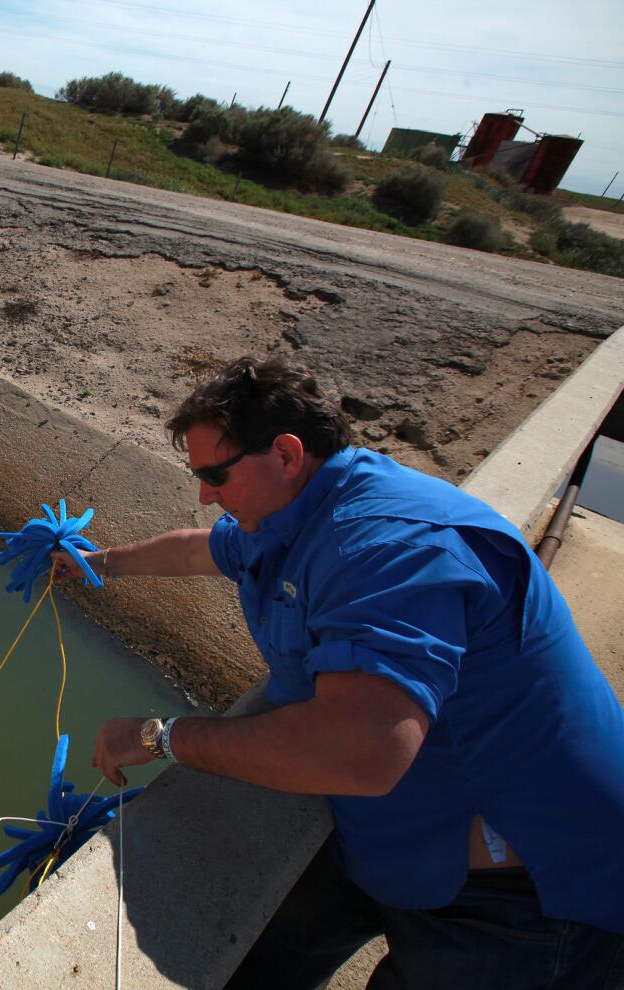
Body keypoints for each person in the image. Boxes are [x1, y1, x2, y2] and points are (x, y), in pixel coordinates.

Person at [52, 355, 624, 988]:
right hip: (396, 840)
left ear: (288, 454)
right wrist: (98, 561)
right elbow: (198, 547)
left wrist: (164, 736)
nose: (205, 493)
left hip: (520, 894)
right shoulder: (291, 509)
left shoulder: (387, 546)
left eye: (215, 474)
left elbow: (359, 755)